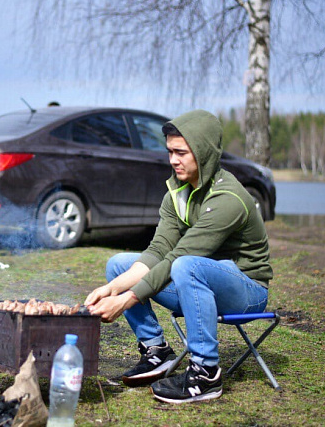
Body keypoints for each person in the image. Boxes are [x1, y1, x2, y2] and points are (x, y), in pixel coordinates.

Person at [84, 109, 272, 403]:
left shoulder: (229, 198)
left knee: (185, 264)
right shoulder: (177, 192)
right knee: (119, 265)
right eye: (170, 152)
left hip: (246, 291)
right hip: (197, 281)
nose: (173, 160)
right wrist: (112, 288)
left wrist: (125, 300)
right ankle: (156, 351)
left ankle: (206, 373)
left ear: (204, 152)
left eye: (181, 153)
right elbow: (158, 251)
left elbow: (181, 256)